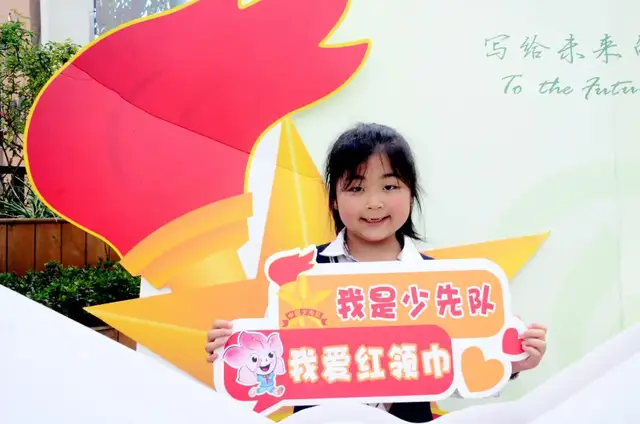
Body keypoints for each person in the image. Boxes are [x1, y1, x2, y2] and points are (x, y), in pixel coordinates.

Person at [205, 123, 548, 422]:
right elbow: (274, 361)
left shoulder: (438, 282)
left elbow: (458, 370)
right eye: (356, 188)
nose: (374, 202)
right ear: (334, 199)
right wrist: (233, 349)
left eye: (389, 186)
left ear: (411, 193)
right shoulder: (300, 273)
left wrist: (511, 363)